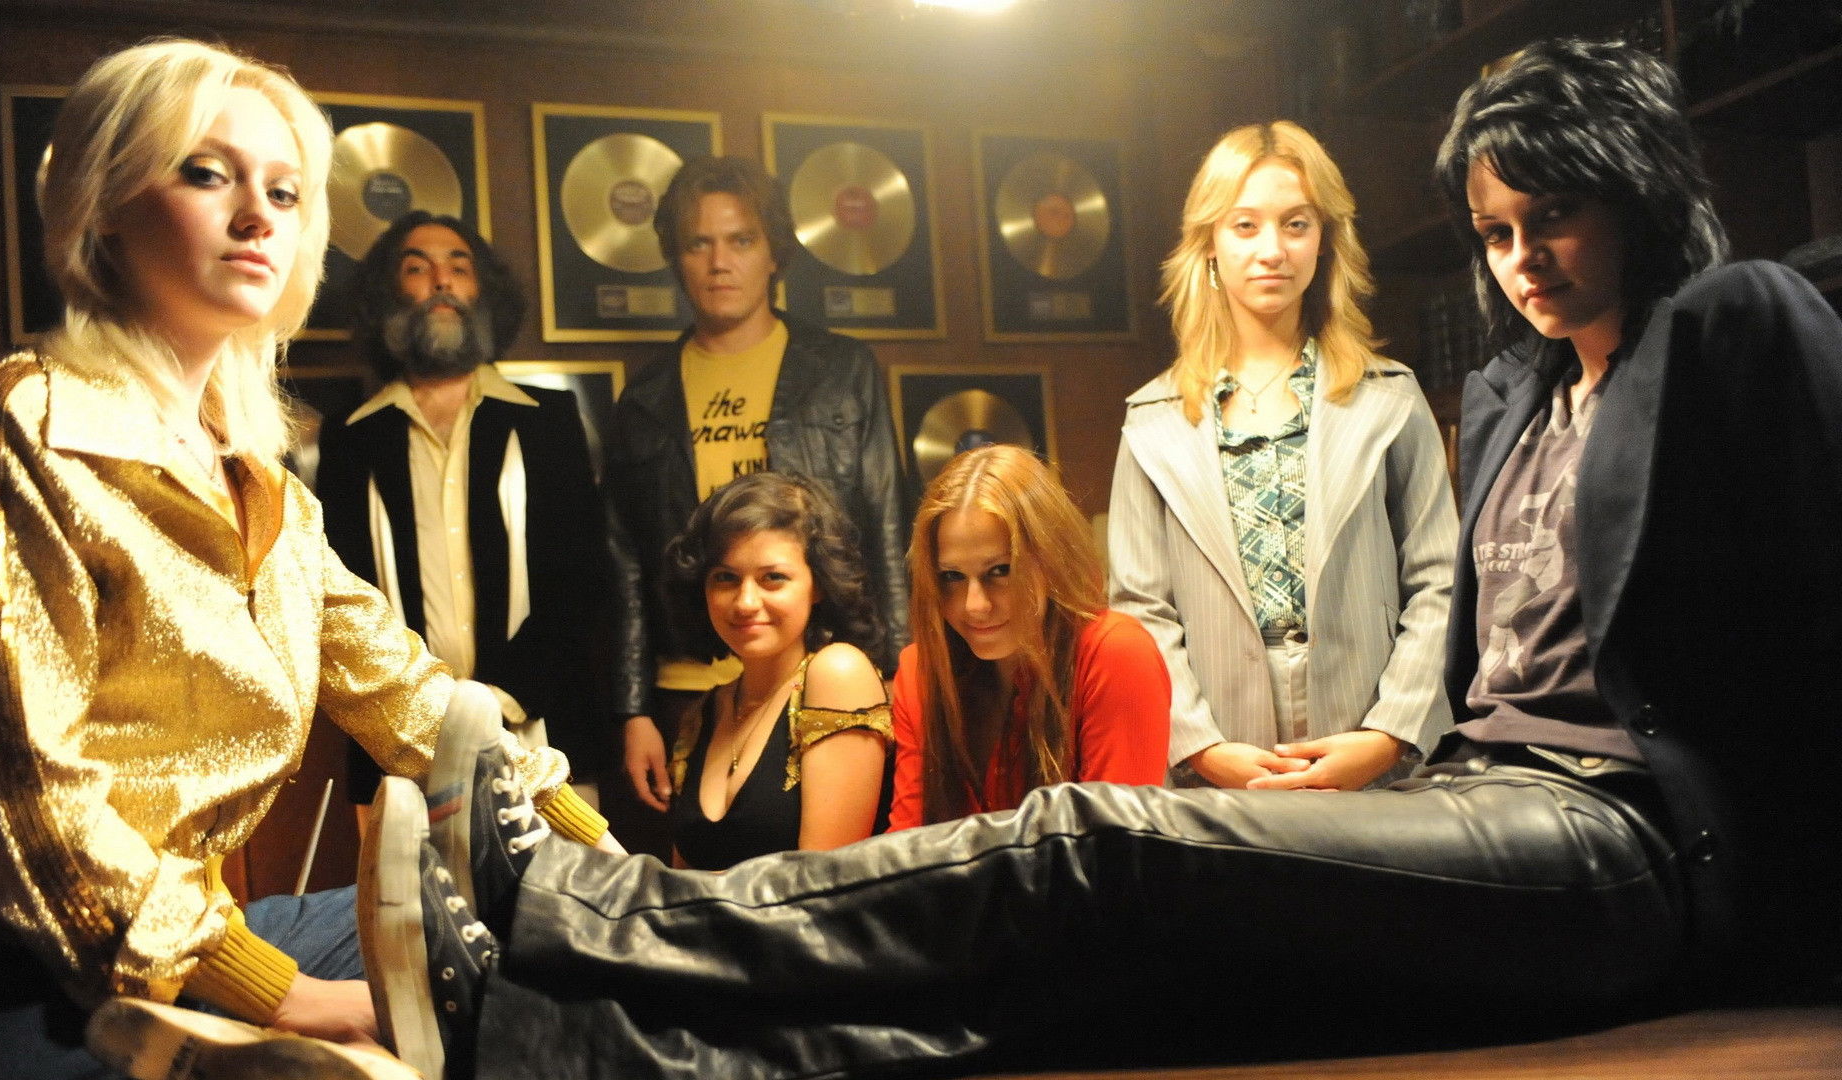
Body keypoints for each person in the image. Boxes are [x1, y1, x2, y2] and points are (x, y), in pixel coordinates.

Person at [173, 37, 1839, 1080]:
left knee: (1083, 841)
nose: (1521, 259)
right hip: (1488, 800)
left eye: (1552, 217)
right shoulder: (1517, 391)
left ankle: (573, 908)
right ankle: (545, 1035)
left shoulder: (1731, 322)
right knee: (1104, 991)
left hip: (1634, 841)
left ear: (1633, 189)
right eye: (1492, 231)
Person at [0, 39, 611, 1080]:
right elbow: (35, 815)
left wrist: (593, 854)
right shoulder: (19, 426)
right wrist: (299, 1003)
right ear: (101, 204)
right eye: (208, 174)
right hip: (22, 980)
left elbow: (409, 692)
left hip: (199, 952)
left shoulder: (257, 476)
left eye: (285, 192)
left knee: (565, 950)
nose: (259, 216)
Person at [1108, 120, 1456, 792]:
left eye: (1296, 224)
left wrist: (1389, 734)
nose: (1272, 250)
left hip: (1372, 754)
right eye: (1245, 226)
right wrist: (1201, 747)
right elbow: (1139, 609)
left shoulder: (1390, 396)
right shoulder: (1152, 420)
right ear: (1209, 242)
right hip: (1217, 764)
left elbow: (1439, 580)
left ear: (1325, 239)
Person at [603, 155, 914, 847]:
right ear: (676, 259)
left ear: (774, 252)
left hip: (818, 667)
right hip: (688, 685)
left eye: (740, 239)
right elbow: (624, 564)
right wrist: (633, 709)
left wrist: (897, 672)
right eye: (699, 243)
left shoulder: (840, 370)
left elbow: (887, 525)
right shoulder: (646, 395)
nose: (720, 262)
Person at [315, 209, 635, 809]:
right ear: (388, 294)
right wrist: (424, 714)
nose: (442, 281)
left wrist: (498, 701)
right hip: (399, 752)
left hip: (543, 737)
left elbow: (581, 579)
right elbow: (344, 602)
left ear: (482, 290)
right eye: (417, 268)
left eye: (458, 267)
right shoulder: (350, 440)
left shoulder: (549, 422)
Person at [890, 446, 1169, 829]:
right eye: (952, 576)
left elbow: (1112, 848)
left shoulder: (1114, 652)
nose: (975, 605)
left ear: (1052, 560)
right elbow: (906, 844)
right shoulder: (921, 669)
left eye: (1000, 570)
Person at [660, 472, 892, 869]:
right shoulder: (701, 714)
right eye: (725, 578)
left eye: (773, 578)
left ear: (819, 585)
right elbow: (682, 885)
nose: (746, 602)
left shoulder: (838, 673)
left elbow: (821, 883)